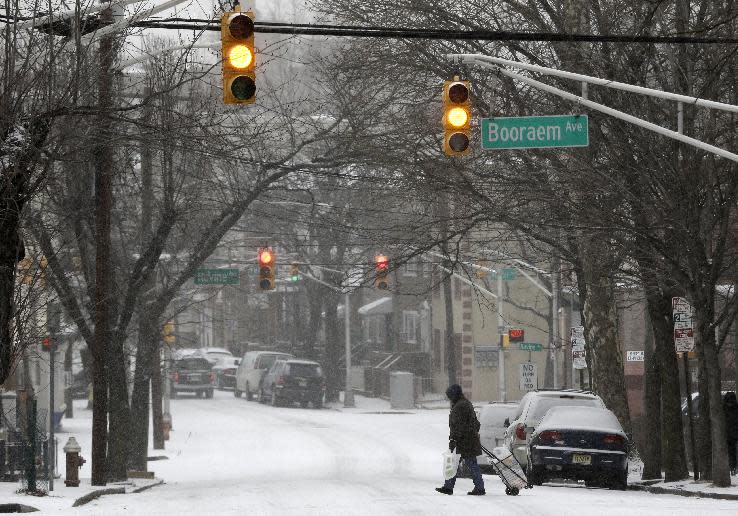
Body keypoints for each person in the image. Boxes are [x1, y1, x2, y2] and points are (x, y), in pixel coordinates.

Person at [436, 384, 486, 496]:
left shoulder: (460, 406)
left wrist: (454, 439)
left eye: (450, 396)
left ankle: (479, 488)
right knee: (455, 463)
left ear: (454, 395)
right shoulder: (465, 403)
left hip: (464, 440)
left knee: (469, 464)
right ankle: (449, 487)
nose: (449, 399)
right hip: (468, 439)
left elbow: (458, 426)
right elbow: (475, 423)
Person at [724, 392, 738, 475]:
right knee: (731, 451)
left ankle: (733, 467)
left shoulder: (725, 408)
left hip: (731, 432)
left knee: (731, 451)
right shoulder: (725, 408)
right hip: (730, 433)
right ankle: (733, 467)